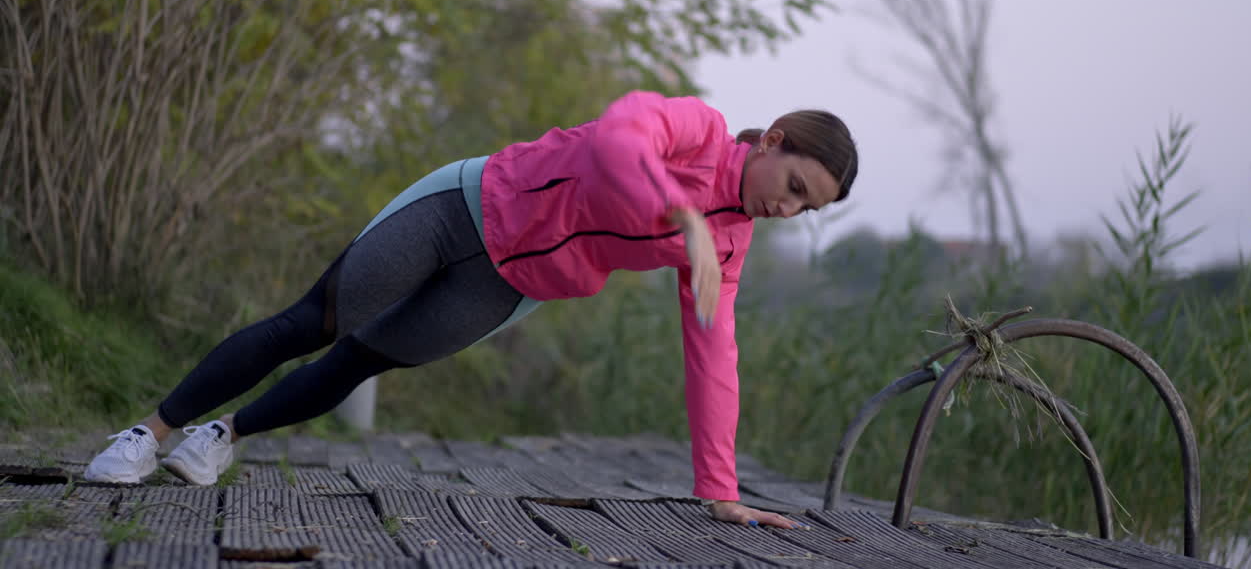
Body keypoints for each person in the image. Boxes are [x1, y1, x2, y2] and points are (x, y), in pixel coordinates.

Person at [84, 90, 858, 529]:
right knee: (319, 321)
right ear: (774, 141)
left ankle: (224, 435)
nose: (788, 210)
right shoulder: (696, 129)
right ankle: (150, 433)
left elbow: (713, 357)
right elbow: (615, 141)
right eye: (794, 187)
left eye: (807, 209)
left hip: (513, 285)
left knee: (366, 358)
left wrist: (719, 491)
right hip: (467, 203)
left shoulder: (728, 247)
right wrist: (677, 212)